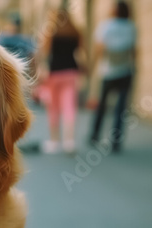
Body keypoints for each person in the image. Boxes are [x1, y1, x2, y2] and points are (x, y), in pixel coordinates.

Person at [36, 4, 84, 154]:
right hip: (71, 72)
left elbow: (44, 52)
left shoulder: (51, 32)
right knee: (70, 107)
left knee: (53, 108)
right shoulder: (76, 32)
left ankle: (54, 141)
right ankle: (69, 142)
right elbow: (82, 52)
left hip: (54, 73)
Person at [89, 1, 136, 152]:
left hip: (108, 71)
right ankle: (116, 141)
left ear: (114, 11)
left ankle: (94, 135)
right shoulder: (131, 27)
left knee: (102, 106)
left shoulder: (105, 26)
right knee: (120, 109)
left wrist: (93, 68)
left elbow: (99, 49)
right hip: (125, 71)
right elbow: (134, 51)